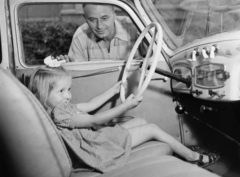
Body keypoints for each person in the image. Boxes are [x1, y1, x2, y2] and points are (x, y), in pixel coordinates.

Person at [28, 64, 219, 172]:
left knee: (143, 122)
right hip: (100, 148)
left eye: (68, 89)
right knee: (151, 128)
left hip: (99, 139)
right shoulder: (60, 114)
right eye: (61, 91)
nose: (68, 95)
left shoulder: (62, 108)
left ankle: (184, 151)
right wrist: (125, 106)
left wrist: (112, 90)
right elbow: (94, 120)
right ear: (44, 95)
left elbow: (91, 105)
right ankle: (194, 157)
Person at [57, 3, 146, 62]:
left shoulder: (134, 27)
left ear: (114, 14)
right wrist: (69, 65)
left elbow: (152, 61)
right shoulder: (80, 35)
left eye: (104, 18)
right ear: (85, 19)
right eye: (92, 20)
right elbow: (77, 74)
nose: (99, 26)